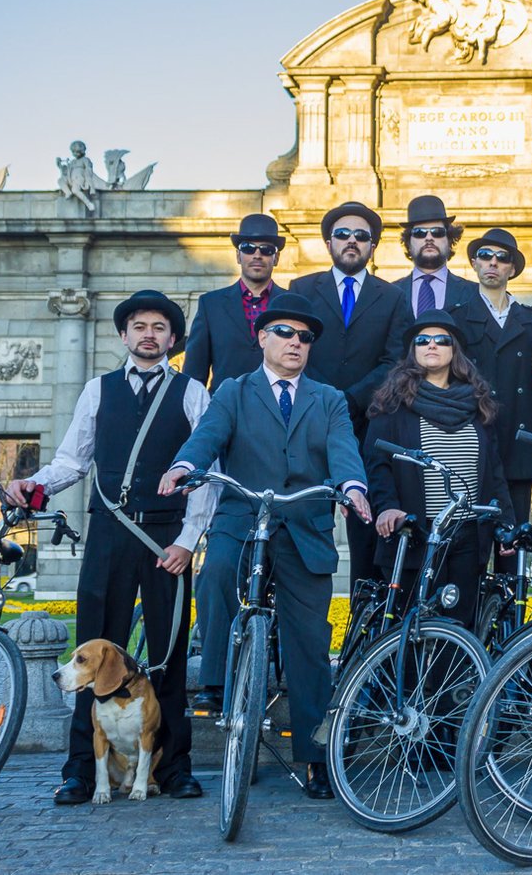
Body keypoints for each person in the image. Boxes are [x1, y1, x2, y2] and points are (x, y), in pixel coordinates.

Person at [159, 292, 373, 800]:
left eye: (305, 337)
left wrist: (354, 488)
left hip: (304, 524)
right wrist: (185, 467)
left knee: (310, 646)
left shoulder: (329, 399)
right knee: (215, 573)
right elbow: (207, 437)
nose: (296, 343)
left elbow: (344, 453)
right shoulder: (233, 391)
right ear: (262, 338)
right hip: (244, 514)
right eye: (285, 333)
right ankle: (215, 677)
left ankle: (317, 759)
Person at [9, 290, 215, 806]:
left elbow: (206, 475)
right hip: (109, 534)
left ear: (173, 339)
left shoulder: (193, 393)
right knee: (93, 651)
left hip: (166, 541)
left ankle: (173, 768)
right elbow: (73, 461)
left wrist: (189, 542)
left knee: (166, 655)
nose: (149, 334)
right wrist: (34, 486)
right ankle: (81, 769)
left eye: (160, 328)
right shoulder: (97, 390)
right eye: (140, 326)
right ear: (124, 335)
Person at [364, 311, 515, 629]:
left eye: (441, 340)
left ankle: (455, 682)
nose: (431, 345)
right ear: (413, 351)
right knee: (411, 627)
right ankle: (411, 681)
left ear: (454, 350)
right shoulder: (392, 404)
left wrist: (506, 522)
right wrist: (387, 507)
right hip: (417, 533)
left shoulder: (478, 404)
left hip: (469, 532)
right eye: (422, 340)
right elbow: (377, 465)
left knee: (459, 626)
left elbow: (494, 473)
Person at [290, 201, 412, 590]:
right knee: (303, 525)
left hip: (367, 426)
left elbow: (394, 359)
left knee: (366, 531)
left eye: (362, 236)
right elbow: (293, 350)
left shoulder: (392, 297)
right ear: (329, 242)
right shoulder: (302, 289)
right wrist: (327, 397)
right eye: (343, 234)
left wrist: (350, 399)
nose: (352, 241)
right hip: (307, 422)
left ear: (372, 246)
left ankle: (364, 629)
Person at [451, 228, 532, 568]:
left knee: (514, 551)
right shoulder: (456, 319)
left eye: (502, 258)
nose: (493, 263)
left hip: (518, 446)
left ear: (512, 268)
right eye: (486, 256)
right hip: (470, 444)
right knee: (469, 551)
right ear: (475, 263)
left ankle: (512, 620)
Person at [182, 213, 286, 390]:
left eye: (266, 249)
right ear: (238, 256)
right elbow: (194, 374)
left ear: (276, 258)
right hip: (225, 410)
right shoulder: (210, 305)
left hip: (279, 411)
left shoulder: (291, 304)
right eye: (248, 248)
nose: (257, 255)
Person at [394, 194, 479, 317]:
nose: (429, 238)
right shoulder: (390, 294)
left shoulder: (474, 293)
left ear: (449, 240)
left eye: (437, 232)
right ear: (408, 242)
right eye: (420, 233)